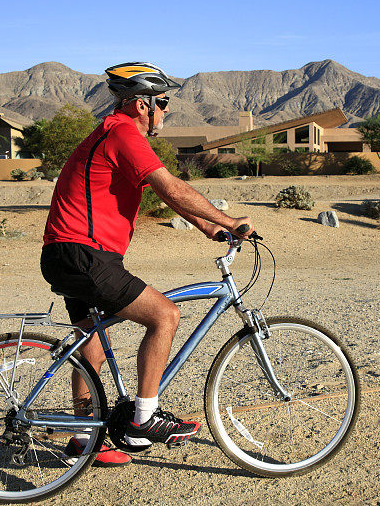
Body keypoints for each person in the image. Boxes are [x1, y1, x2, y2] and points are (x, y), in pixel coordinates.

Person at [40, 62, 254, 467]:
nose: (167, 110)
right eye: (164, 102)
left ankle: (86, 438)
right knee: (165, 316)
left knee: (92, 343)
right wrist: (229, 221)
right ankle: (144, 419)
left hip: (64, 254)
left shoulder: (111, 132)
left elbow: (163, 193)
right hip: (86, 254)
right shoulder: (123, 133)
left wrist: (208, 227)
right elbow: (169, 185)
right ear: (142, 105)